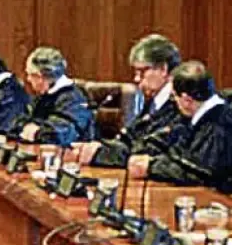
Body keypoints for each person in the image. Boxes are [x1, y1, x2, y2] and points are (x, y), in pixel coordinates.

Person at [129, 61, 232, 194]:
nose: (174, 102)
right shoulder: (196, 118)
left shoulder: (220, 126)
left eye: (174, 96)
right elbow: (179, 154)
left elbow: (199, 174)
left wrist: (151, 167)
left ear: (186, 100)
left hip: (229, 201)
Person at [76, 34, 185, 167]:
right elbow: (130, 138)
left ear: (163, 69)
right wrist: (97, 146)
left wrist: (100, 153)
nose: (136, 79)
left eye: (142, 72)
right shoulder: (154, 102)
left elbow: (149, 152)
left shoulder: (180, 105)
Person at [13, 47, 96, 145]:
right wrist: (27, 129)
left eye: (30, 75)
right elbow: (17, 124)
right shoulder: (43, 96)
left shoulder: (74, 100)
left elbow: (59, 135)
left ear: (40, 77)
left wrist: (36, 132)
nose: (28, 79)